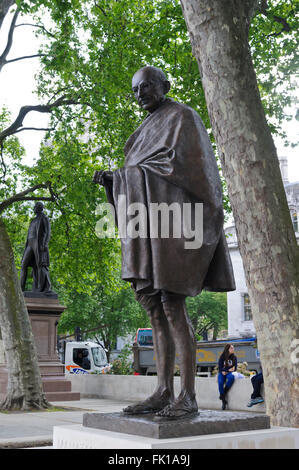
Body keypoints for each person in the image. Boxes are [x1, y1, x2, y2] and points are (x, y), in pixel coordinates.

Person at [93, 66, 235, 419]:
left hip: (175, 228)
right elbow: (142, 169)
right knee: (154, 308)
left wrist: (130, 175)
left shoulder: (183, 117)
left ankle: (187, 395)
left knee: (173, 306)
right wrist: (116, 180)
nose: (139, 93)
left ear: (164, 86)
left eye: (146, 86)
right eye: (135, 89)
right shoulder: (143, 129)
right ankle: (162, 390)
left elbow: (189, 170)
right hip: (148, 228)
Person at [20, 202, 52, 293]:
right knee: (23, 265)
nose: (34, 208)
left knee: (40, 265)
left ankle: (40, 287)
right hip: (30, 243)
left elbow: (48, 232)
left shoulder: (44, 218)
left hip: (38, 243)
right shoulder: (33, 220)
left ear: (39, 208)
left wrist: (45, 244)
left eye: (35, 207)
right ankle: (20, 288)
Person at [218, 344, 237, 410]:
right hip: (222, 372)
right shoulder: (222, 357)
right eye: (231, 348)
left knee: (231, 378)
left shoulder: (234, 357)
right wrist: (226, 370)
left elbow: (235, 368)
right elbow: (220, 368)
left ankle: (223, 394)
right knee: (220, 382)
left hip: (229, 373)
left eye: (233, 348)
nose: (233, 349)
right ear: (227, 349)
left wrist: (227, 370)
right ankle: (224, 401)